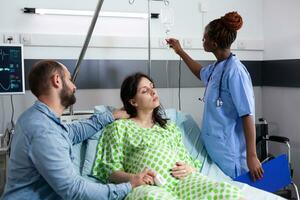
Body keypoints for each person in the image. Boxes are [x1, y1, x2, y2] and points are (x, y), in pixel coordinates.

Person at [1, 60, 150, 200]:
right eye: (70, 80)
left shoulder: (36, 117)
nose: (74, 87)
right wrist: (129, 186)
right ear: (57, 80)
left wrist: (110, 115)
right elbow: (74, 190)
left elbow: (73, 132)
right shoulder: (43, 131)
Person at [92, 72, 244, 200]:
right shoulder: (119, 128)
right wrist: (135, 178)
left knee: (228, 192)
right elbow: (110, 171)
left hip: (182, 182)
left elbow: (186, 159)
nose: (153, 92)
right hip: (146, 187)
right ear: (133, 101)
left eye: (152, 87)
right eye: (145, 91)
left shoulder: (169, 127)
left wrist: (190, 169)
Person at [166, 11, 263, 180]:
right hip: (215, 150)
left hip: (230, 153)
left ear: (214, 43)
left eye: (205, 38)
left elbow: (247, 114)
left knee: (235, 193)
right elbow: (200, 72)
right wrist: (180, 51)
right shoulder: (218, 67)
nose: (203, 41)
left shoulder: (235, 71)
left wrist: (252, 156)